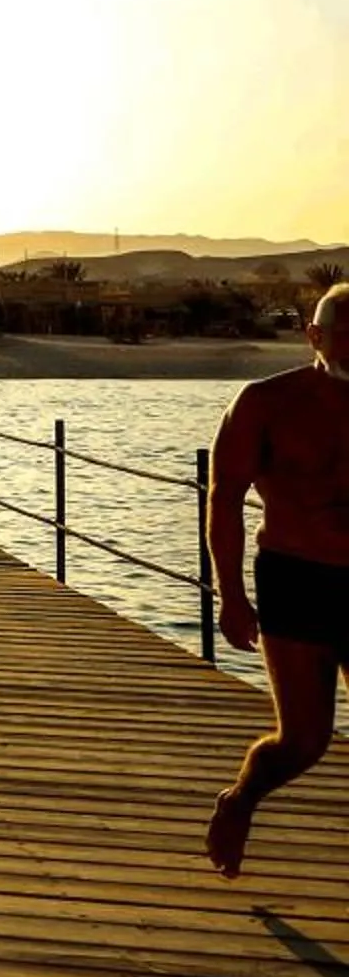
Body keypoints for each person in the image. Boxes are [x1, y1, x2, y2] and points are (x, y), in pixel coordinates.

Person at [204, 282, 349, 877]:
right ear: (315, 336)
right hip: (296, 578)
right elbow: (225, 497)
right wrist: (231, 596)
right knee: (304, 741)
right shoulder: (266, 402)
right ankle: (241, 800)